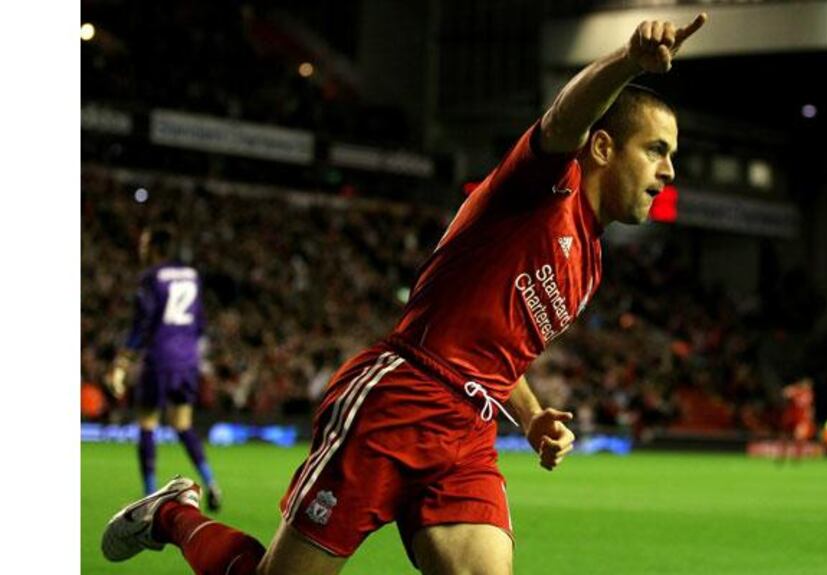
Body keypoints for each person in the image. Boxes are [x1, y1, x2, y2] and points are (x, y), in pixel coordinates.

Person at [102, 15, 708, 575]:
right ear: (603, 148)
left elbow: (497, 346)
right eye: (657, 150)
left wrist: (529, 417)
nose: (669, 171)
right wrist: (627, 61)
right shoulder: (548, 187)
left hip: (468, 429)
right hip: (399, 400)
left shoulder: (592, 262)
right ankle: (173, 512)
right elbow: (561, 118)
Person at [106, 227, 223, 510]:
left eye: (144, 243)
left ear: (155, 247)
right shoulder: (193, 276)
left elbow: (142, 323)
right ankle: (211, 482)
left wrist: (122, 362)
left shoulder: (151, 278)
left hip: (159, 358)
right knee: (182, 424)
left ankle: (149, 497)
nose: (140, 248)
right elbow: (200, 324)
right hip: (187, 361)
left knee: (147, 423)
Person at [777, 376, 815, 463]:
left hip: (801, 419)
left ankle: (797, 457)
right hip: (791, 417)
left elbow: (808, 406)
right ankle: (782, 455)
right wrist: (793, 388)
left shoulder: (808, 393)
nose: (807, 386)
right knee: (785, 437)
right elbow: (784, 393)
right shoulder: (797, 391)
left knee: (799, 438)